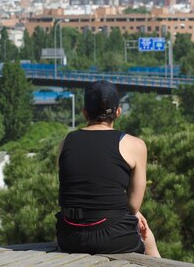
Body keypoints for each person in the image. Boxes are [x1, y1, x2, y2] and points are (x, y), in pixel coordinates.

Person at [56, 80, 160, 257]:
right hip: (111, 235)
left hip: (69, 235)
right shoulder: (135, 145)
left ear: (84, 112)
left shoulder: (66, 142)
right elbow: (133, 205)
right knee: (146, 235)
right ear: (118, 112)